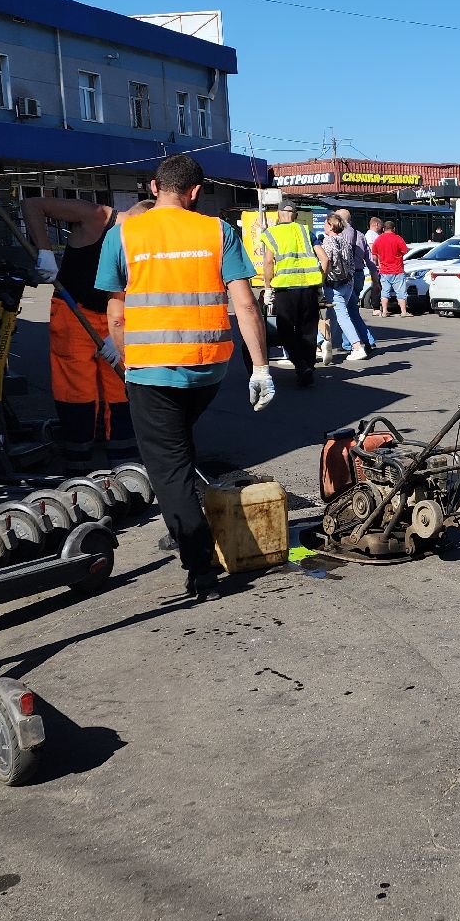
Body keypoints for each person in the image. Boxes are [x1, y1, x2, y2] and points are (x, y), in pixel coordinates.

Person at [96, 154, 275, 601]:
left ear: (154, 187)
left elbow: (116, 313)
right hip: (208, 368)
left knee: (168, 467)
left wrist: (122, 357)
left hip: (151, 370)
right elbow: (247, 305)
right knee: (178, 445)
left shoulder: (122, 235)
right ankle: (189, 517)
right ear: (195, 192)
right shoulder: (218, 231)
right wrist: (261, 368)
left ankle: (200, 566)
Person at [23, 194, 137, 471]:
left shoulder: (143, 241)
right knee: (76, 390)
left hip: (117, 314)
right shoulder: (96, 215)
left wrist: (122, 330)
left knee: (121, 389)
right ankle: (79, 463)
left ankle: (125, 463)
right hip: (74, 311)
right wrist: (45, 252)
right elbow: (32, 205)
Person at [256, 202, 323, 388]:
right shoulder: (306, 231)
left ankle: (301, 366)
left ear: (278, 214)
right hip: (309, 289)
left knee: (286, 331)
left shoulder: (272, 233)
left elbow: (268, 262)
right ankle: (308, 366)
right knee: (308, 331)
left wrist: (268, 288)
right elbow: (324, 258)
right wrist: (319, 284)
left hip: (285, 291)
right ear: (294, 215)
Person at [322, 209, 375, 362]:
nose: (324, 226)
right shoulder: (345, 240)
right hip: (347, 283)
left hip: (334, 284)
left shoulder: (328, 241)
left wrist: (321, 279)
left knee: (342, 316)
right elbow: (351, 263)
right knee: (334, 315)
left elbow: (327, 263)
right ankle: (326, 344)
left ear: (331, 226)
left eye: (326, 223)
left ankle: (357, 346)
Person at [372, 219, 410, 316]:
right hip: (397, 270)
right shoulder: (398, 238)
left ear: (384, 228)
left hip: (384, 270)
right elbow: (405, 251)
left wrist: (378, 264)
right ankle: (403, 311)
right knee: (401, 292)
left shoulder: (378, 239)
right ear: (394, 229)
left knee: (385, 291)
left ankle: (384, 311)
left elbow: (374, 256)